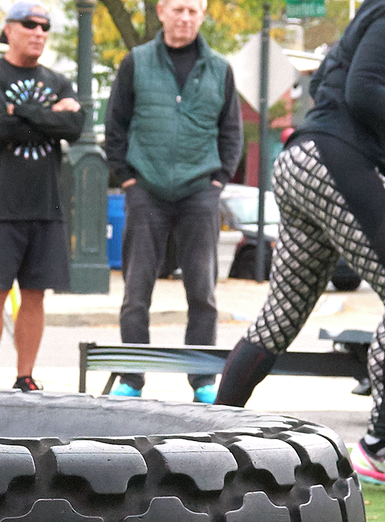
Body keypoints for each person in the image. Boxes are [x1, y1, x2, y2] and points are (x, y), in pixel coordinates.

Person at [211, 0, 385, 495]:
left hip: (303, 164)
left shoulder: (371, 19)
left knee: (281, 316)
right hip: (335, 162)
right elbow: (366, 93)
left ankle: (207, 438)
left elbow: (344, 97)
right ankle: (383, 445)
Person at [102, 0, 242, 403]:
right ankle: (132, 378)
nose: (185, 18)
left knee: (202, 291)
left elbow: (230, 133)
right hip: (146, 190)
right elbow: (116, 125)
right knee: (136, 291)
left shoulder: (219, 69)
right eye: (177, 9)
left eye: (193, 11)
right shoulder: (136, 61)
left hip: (200, 193)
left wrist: (217, 181)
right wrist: (127, 179)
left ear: (202, 16)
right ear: (162, 12)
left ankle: (202, 382)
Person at [0, 1, 83, 392]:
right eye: (30, 24)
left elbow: (75, 126)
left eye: (45, 26)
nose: (38, 32)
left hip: (46, 206)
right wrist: (49, 115)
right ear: (9, 29)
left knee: (35, 295)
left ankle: (25, 376)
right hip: (0, 205)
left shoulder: (58, 79)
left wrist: (22, 111)